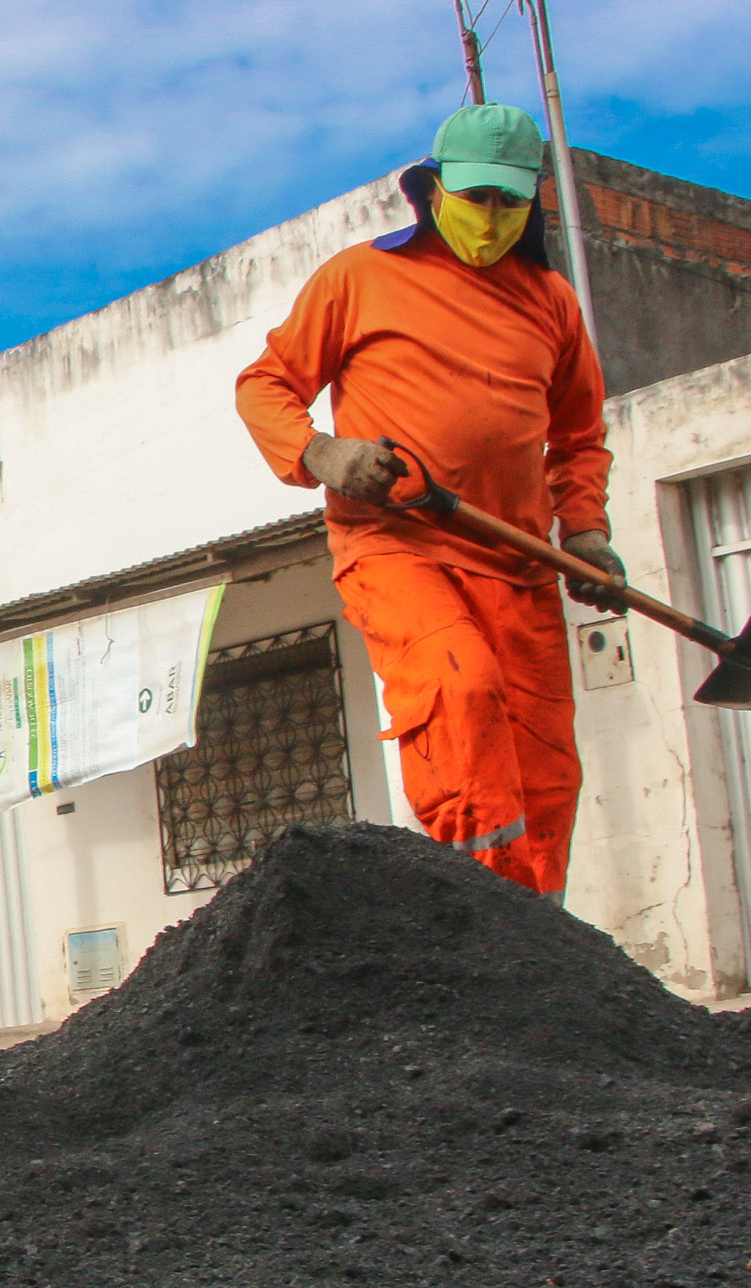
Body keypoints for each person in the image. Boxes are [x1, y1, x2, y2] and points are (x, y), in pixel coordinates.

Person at [235, 103, 621, 899]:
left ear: (532, 201)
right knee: (459, 687)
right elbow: (265, 385)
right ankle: (482, 918)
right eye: (476, 198)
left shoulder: (552, 303)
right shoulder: (359, 278)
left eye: (510, 203)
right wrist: (322, 452)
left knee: (545, 769)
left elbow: (579, 436)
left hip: (521, 565)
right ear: (434, 190)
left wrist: (583, 532)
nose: (491, 217)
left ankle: (543, 943)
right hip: (398, 546)